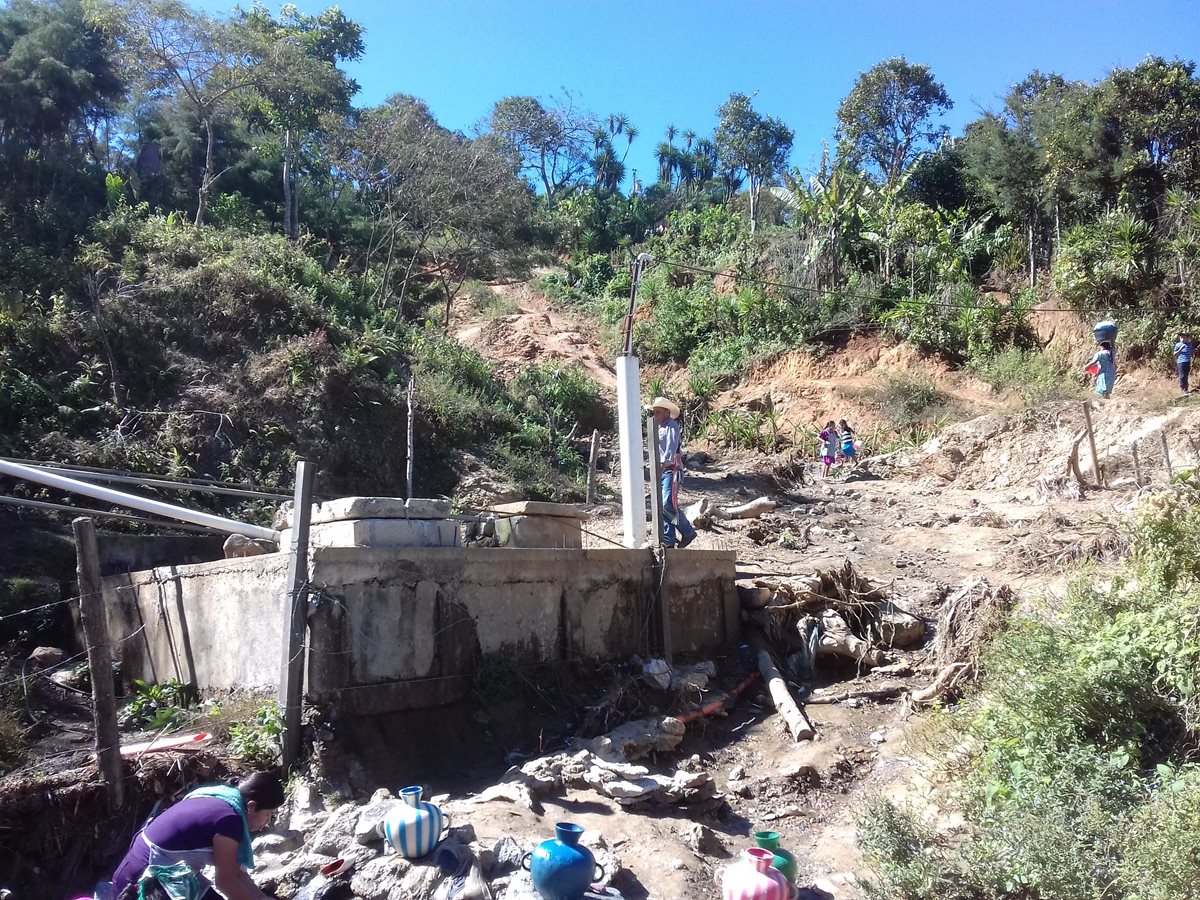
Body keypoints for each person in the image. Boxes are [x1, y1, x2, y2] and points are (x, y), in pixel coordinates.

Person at [110, 771, 284, 900]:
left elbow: (237, 873)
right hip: (141, 885)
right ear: (252, 806)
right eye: (268, 814)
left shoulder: (219, 797)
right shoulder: (230, 821)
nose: (267, 822)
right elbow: (226, 881)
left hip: (160, 873)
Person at [651, 396, 696, 549]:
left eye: (657, 412)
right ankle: (668, 538)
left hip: (671, 469)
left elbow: (671, 445)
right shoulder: (658, 428)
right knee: (663, 505)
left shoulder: (671, 425)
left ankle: (686, 530)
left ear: (666, 412)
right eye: (654, 412)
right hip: (662, 470)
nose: (655, 415)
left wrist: (665, 461)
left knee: (667, 503)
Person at [1173, 331, 1194, 395]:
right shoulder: (1178, 345)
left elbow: (1192, 351)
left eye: (1184, 338)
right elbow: (1174, 353)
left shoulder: (1190, 344)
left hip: (1188, 361)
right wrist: (1180, 349)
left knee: (1186, 376)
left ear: (1187, 338)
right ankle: (1183, 390)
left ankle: (1186, 389)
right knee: (1182, 376)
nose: (1182, 339)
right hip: (1181, 362)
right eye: (1181, 338)